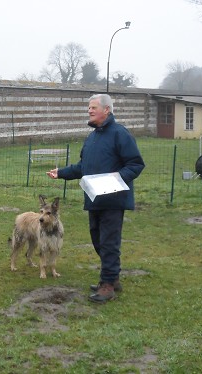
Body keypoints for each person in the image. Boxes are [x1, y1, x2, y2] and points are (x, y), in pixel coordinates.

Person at [47, 93, 145, 304]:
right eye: (89, 108)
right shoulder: (92, 138)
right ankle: (113, 278)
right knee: (98, 240)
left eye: (93, 107)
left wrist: (117, 180)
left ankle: (107, 285)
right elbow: (83, 167)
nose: (89, 111)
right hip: (94, 199)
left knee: (109, 243)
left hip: (113, 200)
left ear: (106, 110)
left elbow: (136, 164)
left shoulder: (120, 134)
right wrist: (61, 172)